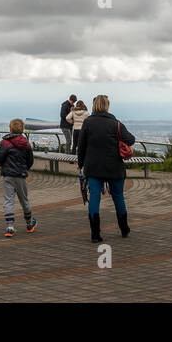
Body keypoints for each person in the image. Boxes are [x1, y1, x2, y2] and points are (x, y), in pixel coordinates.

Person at [74, 95, 135, 243]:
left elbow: (81, 146)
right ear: (107, 106)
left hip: (93, 167)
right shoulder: (116, 123)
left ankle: (95, 234)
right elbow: (131, 140)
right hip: (114, 167)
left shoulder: (88, 123)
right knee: (118, 197)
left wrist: (81, 164)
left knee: (94, 198)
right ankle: (124, 228)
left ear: (94, 105)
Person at [0, 119, 37, 237]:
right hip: (21, 176)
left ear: (10, 129)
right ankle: (29, 224)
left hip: (8, 175)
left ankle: (10, 227)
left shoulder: (5, 142)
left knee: (8, 200)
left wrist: (4, 166)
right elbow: (30, 161)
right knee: (24, 200)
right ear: (22, 129)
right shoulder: (26, 143)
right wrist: (24, 169)